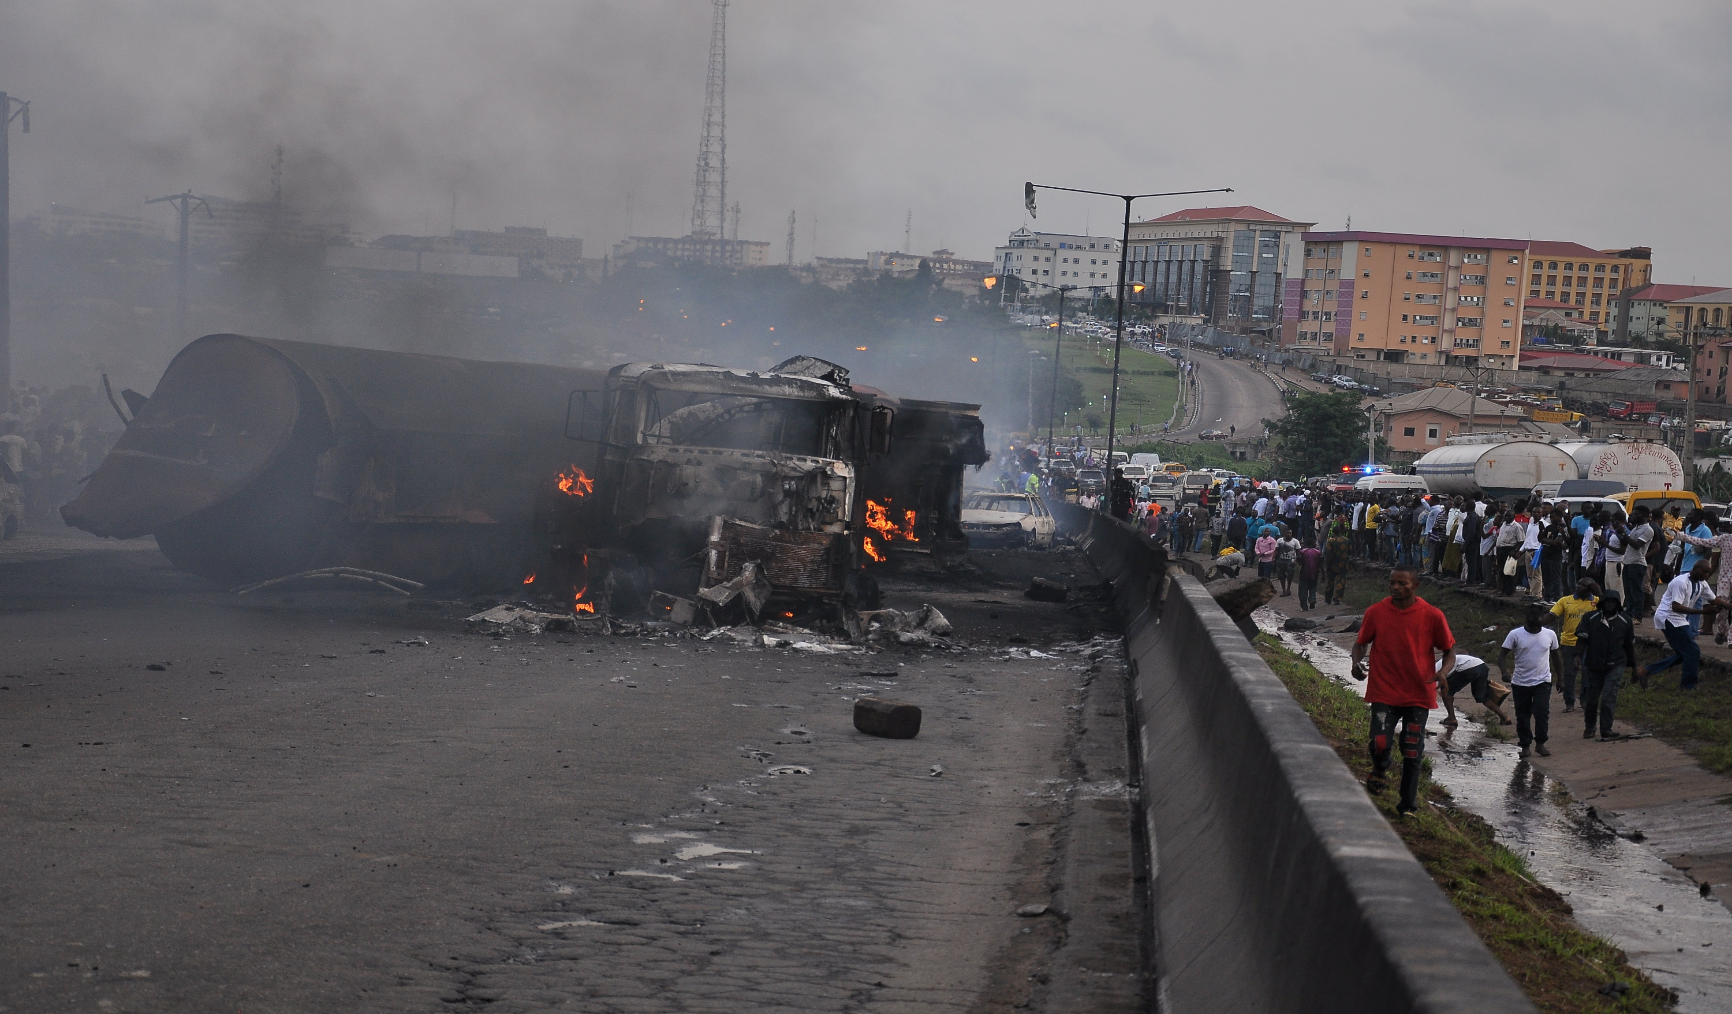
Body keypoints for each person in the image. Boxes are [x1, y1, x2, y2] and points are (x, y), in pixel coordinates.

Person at [1351, 565, 1456, 815]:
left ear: (1415, 586)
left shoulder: (1432, 615)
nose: (1396, 587)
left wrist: (1443, 672)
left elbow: (1449, 650)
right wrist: (1355, 662)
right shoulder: (1376, 612)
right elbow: (1361, 642)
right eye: (1392, 583)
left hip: (1418, 693)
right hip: (1383, 690)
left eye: (1402, 584)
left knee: (1411, 749)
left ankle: (1407, 805)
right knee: (1379, 742)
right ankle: (1381, 766)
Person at [1642, 558, 1720, 691]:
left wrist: (1727, 606)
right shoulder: (1680, 582)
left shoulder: (1702, 583)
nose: (1706, 575)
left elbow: (1715, 600)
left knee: (1685, 653)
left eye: (1708, 573)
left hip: (1680, 620)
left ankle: (1646, 671)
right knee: (1693, 651)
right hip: (1668, 617)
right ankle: (1688, 686)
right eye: (1704, 572)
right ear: (1694, 569)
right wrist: (1702, 611)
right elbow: (1676, 607)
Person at [1500, 603, 1562, 758]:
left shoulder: (1550, 635)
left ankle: (1540, 743)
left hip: (1543, 681)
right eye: (1532, 626)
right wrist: (1504, 671)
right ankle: (1525, 745)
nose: (1535, 629)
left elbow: (1556, 656)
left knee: (1542, 713)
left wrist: (1561, 678)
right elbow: (1502, 655)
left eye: (1538, 626)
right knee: (1522, 716)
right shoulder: (1515, 635)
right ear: (1526, 622)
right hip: (1520, 682)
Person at [1575, 591, 1636, 742]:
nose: (1610, 604)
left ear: (1617, 604)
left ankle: (1606, 729)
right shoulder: (1590, 618)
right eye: (1607, 601)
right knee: (1592, 698)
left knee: (1609, 695)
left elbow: (1629, 646)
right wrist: (1577, 656)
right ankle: (1590, 726)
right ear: (1602, 602)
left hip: (1617, 663)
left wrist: (1634, 667)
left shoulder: (1625, 621)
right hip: (1594, 663)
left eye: (1613, 602)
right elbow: (1582, 639)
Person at [1674, 515, 1732, 643]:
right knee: (1721, 609)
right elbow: (1703, 542)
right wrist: (1681, 536)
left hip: (1725, 579)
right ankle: (1722, 631)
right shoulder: (1725, 539)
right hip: (1725, 580)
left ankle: (1731, 639)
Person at [1547, 578, 1599, 713]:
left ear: (1590, 588)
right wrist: (1536, 623)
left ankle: (1584, 700)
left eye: (1583, 585)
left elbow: (1611, 607)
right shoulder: (1565, 600)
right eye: (1578, 583)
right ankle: (1569, 702)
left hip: (1590, 644)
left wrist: (1598, 590)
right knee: (1569, 674)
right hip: (1569, 642)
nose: (1578, 586)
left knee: (1587, 674)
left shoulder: (1597, 601)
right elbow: (1552, 616)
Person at [1438, 649, 1509, 728]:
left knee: (1446, 692)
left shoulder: (1436, 667)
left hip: (1468, 668)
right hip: (1482, 665)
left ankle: (1451, 718)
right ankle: (1504, 717)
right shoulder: (1454, 658)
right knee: (1482, 696)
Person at [1324, 520, 1353, 607]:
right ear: (1340, 531)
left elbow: (1328, 554)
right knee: (1341, 582)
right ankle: (1337, 599)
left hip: (1333, 563)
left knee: (1330, 581)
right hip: (1344, 563)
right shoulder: (1347, 540)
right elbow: (1350, 552)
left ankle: (1328, 599)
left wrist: (1327, 565)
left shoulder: (1330, 541)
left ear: (1333, 532)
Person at [1297, 536, 1323, 611]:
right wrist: (1323, 575)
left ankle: (1304, 606)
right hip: (1315, 573)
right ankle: (1312, 600)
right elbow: (1321, 564)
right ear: (1313, 544)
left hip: (1304, 573)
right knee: (1312, 588)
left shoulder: (1303, 552)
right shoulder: (1318, 552)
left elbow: (1299, 562)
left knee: (1303, 590)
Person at [1275, 527, 1300, 597]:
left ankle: (1288, 587)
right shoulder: (1280, 541)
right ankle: (1284, 590)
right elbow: (1276, 550)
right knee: (1281, 575)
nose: (1288, 534)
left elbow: (1299, 552)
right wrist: (1273, 558)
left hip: (1291, 562)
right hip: (1281, 560)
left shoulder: (1295, 541)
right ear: (1284, 533)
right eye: (1287, 533)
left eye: (1290, 533)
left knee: (1290, 574)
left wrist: (1296, 561)